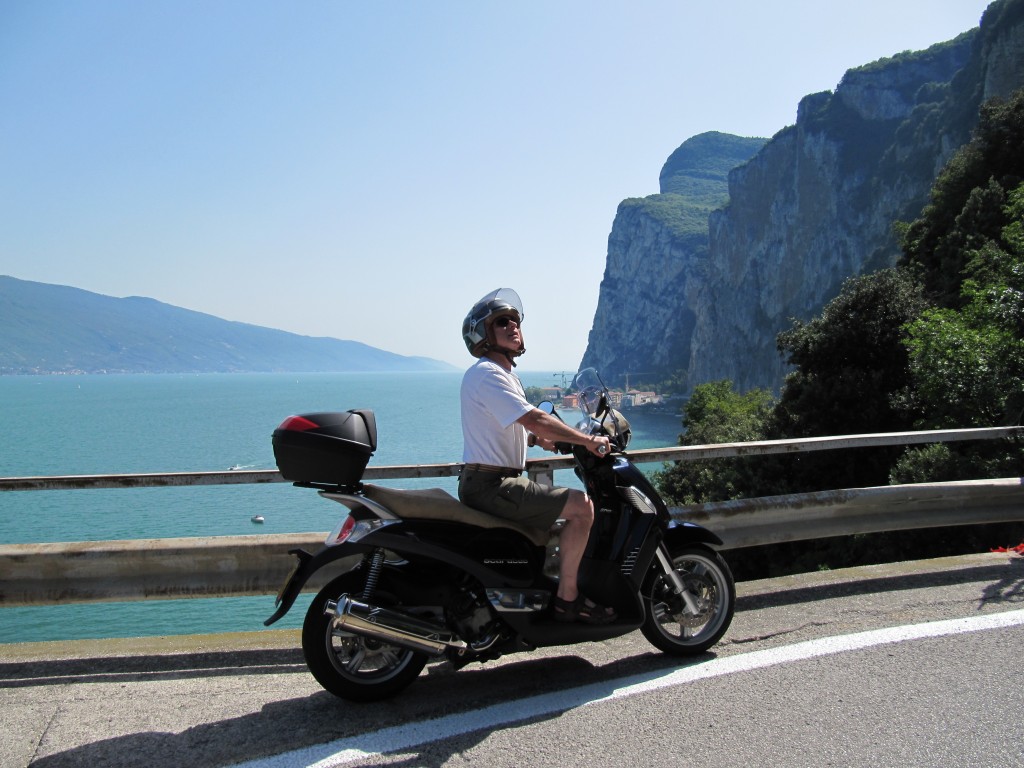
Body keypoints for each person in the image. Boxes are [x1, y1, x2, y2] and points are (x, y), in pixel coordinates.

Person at [458, 288, 616, 625]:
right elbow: (536, 417)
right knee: (583, 507)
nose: (513, 326)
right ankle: (568, 599)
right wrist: (587, 440)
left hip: (492, 480)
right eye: (502, 322)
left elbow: (510, 423)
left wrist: (536, 440)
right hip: (493, 484)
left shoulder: (503, 376)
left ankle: (533, 592)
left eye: (516, 321)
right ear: (483, 334)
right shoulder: (488, 373)